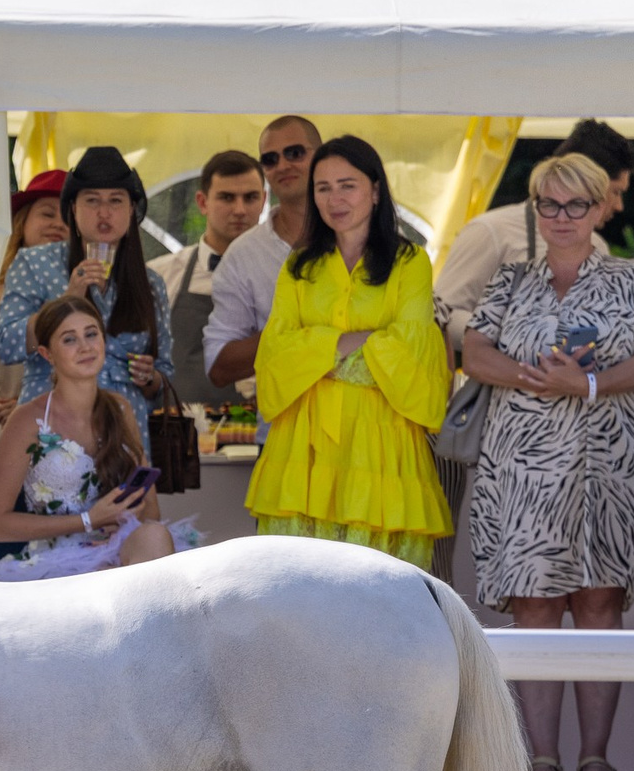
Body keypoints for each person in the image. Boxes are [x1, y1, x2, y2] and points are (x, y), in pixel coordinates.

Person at [458, 156, 634, 771]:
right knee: (534, 608)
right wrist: (538, 377)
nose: (560, 218)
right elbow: (473, 352)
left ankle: (596, 761)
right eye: (547, 205)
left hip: (607, 464)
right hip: (522, 467)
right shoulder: (510, 279)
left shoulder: (633, 277)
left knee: (600, 606)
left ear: (601, 208)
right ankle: (541, 760)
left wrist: (583, 384)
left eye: (574, 206)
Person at [243, 136, 451, 568]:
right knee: (296, 591)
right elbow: (275, 357)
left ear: (375, 191)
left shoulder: (409, 262)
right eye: (323, 187)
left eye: (347, 185)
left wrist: (316, 352)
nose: (334, 199)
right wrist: (355, 341)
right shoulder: (299, 267)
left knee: (380, 595)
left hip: (381, 443)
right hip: (304, 446)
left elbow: (412, 349)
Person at [0, 296, 187, 580]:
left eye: (91, 334)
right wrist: (87, 521)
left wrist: (119, 521)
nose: (85, 346)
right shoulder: (26, 420)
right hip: (56, 559)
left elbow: (151, 510)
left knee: (155, 536)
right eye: (69, 339)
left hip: (118, 546)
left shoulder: (121, 409)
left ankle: (149, 622)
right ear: (48, 355)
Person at [0, 146, 172, 444]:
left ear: (131, 210)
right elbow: (6, 344)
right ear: (73, 210)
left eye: (116, 201)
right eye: (91, 201)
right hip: (51, 425)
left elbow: (164, 374)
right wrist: (65, 303)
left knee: (125, 492)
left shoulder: (151, 283)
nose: (104, 212)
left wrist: (150, 377)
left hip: (124, 431)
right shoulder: (34, 263)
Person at [434, 119, 634, 360]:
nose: (618, 206)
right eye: (615, 191)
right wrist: (513, 336)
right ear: (583, 173)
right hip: (500, 390)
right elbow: (442, 315)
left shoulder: (599, 247)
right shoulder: (491, 231)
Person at [205, 114, 323, 393]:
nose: (283, 165)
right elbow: (217, 367)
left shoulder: (357, 238)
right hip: (280, 427)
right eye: (270, 159)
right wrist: (292, 331)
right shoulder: (244, 254)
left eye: (294, 153)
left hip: (362, 425)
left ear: (322, 157)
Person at [0, 169, 69, 456]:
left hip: (67, 437)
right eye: (48, 214)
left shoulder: (87, 294)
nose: (59, 224)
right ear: (23, 222)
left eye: (68, 216)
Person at [154, 149, 268, 409]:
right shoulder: (163, 274)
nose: (239, 209)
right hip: (179, 433)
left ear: (263, 202)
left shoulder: (283, 275)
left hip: (262, 429)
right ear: (202, 202)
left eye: (250, 198)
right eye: (227, 198)